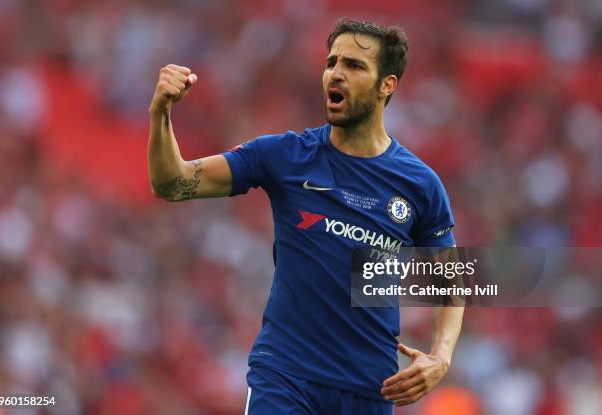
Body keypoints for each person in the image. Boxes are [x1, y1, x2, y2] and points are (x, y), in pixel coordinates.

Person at [147, 18, 464, 415]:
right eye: (332, 62)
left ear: (388, 85)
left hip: (369, 388)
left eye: (354, 65)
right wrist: (161, 112)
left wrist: (441, 356)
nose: (336, 73)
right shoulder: (284, 156)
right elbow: (172, 183)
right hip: (285, 377)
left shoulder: (420, 184)